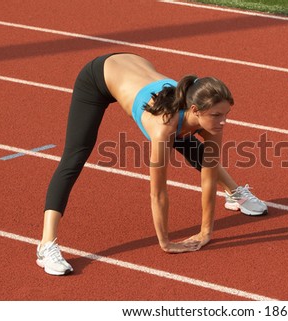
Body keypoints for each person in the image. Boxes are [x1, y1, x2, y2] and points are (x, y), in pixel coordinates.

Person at [36, 53, 267, 276]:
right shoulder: (162, 127)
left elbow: (208, 177)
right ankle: (46, 245)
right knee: (74, 157)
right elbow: (158, 193)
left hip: (136, 66)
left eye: (226, 114)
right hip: (100, 75)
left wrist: (206, 232)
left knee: (191, 144)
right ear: (196, 110)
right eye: (217, 115)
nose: (224, 121)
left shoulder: (209, 118)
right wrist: (165, 242)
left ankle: (233, 192)